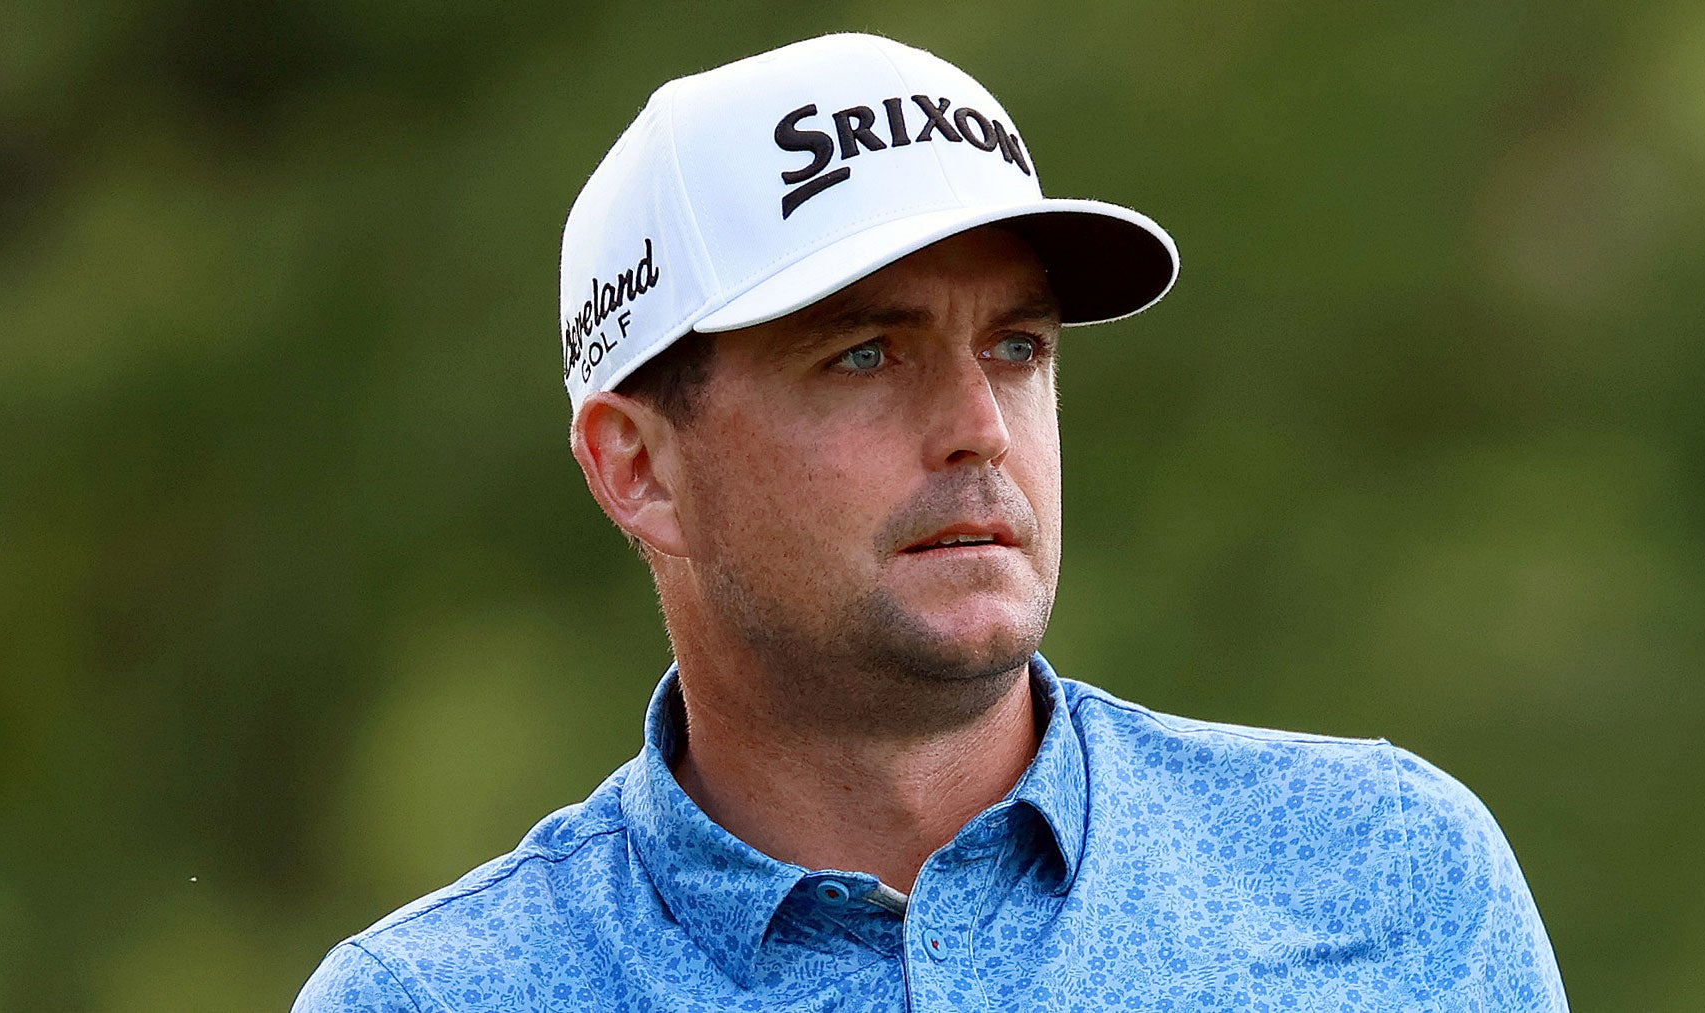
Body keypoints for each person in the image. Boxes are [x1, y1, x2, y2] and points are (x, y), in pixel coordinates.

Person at [293, 33, 1569, 1012]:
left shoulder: (1385, 873)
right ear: (638, 467)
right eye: (864, 354)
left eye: (1017, 346)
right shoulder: (436, 997)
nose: (980, 424)